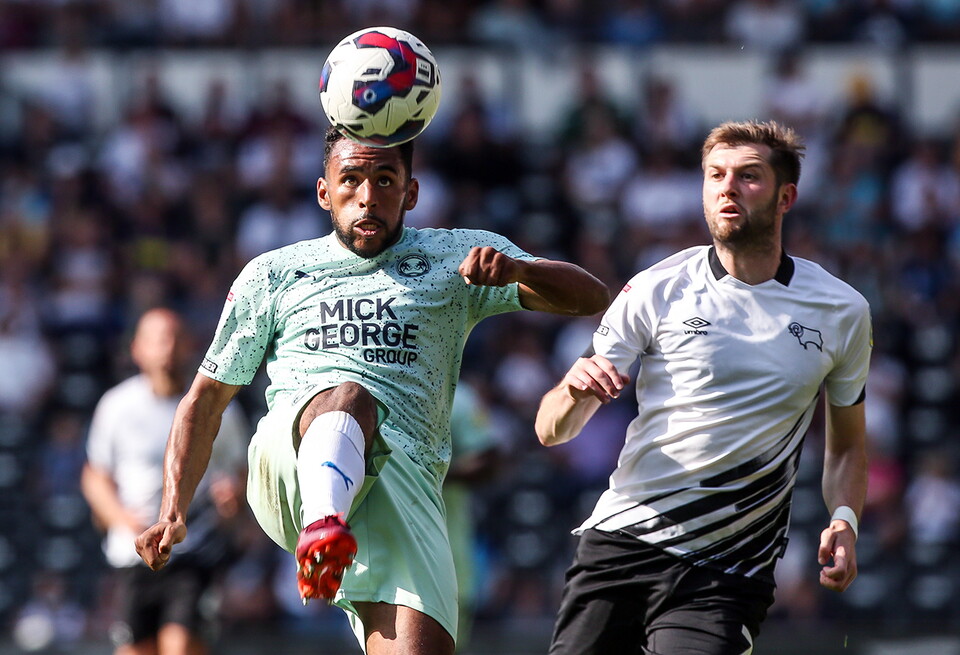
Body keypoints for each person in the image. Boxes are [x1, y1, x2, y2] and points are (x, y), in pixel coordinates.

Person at [134, 127, 610, 655]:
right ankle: (322, 525)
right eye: (351, 179)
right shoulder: (273, 274)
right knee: (349, 394)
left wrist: (521, 270)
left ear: (411, 193)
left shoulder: (454, 257)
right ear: (323, 192)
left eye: (385, 180)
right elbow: (204, 399)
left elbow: (591, 297)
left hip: (401, 477)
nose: (367, 196)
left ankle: (333, 533)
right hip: (291, 463)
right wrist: (172, 510)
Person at [535, 120, 872, 654]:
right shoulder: (655, 288)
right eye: (715, 174)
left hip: (728, 567)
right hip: (621, 542)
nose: (727, 187)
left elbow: (848, 444)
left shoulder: (842, 311)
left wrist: (845, 519)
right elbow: (552, 430)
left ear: (787, 197)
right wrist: (571, 391)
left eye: (748, 176)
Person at [82, 308, 248, 655]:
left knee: (182, 645)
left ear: (190, 346)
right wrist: (124, 519)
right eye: (158, 339)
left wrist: (232, 497)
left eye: (175, 338)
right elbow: (96, 476)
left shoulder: (217, 410)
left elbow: (240, 473)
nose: (168, 348)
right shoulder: (116, 406)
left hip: (195, 549)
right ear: (137, 349)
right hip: (132, 554)